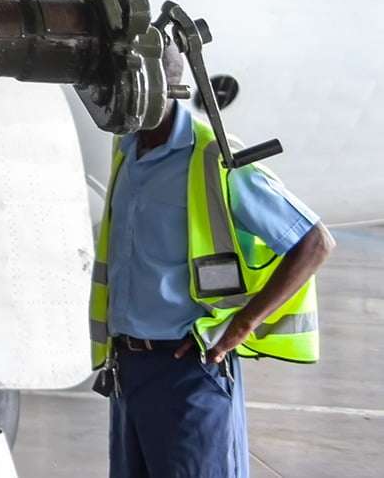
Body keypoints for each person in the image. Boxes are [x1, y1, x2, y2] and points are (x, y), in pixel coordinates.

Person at [93, 38, 331, 478]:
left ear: (156, 88)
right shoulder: (127, 151)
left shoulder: (213, 157)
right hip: (129, 370)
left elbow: (314, 242)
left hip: (188, 371)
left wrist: (240, 326)